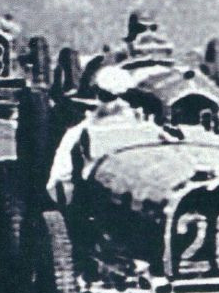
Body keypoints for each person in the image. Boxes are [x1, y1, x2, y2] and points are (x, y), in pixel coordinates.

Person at [45, 64, 153, 208]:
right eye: (109, 97)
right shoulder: (80, 133)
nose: (119, 104)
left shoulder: (149, 130)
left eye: (127, 98)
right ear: (97, 96)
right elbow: (60, 179)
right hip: (100, 204)